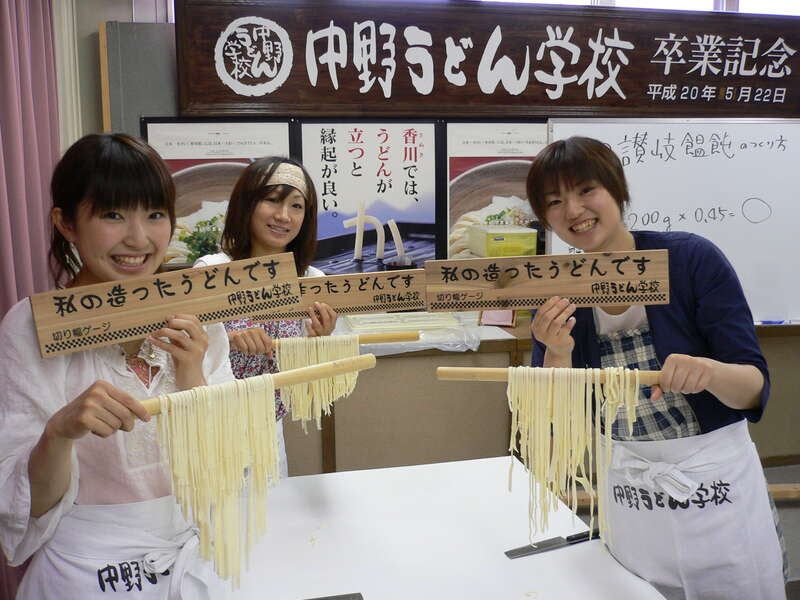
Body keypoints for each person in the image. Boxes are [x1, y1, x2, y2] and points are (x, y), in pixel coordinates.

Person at [525, 136, 786, 600]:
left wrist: (708, 371)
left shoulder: (689, 260)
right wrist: (557, 351)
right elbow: (552, 421)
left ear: (616, 190)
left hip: (718, 493)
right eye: (554, 201)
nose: (574, 210)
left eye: (586, 190)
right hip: (631, 497)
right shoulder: (556, 290)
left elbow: (753, 387)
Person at [0, 133, 234, 599]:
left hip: (194, 562)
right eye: (112, 214)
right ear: (66, 223)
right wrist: (59, 432)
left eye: (155, 214)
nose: (139, 238)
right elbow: (25, 506)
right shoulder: (33, 327)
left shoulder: (197, 314)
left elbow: (226, 472)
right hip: (84, 574)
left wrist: (191, 379)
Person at [194, 156, 337, 477]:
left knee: (270, 520)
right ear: (246, 205)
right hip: (213, 429)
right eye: (271, 200)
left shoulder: (311, 280)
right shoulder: (211, 270)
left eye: (296, 206)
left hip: (269, 432)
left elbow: (309, 392)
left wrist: (317, 343)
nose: (283, 216)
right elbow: (184, 358)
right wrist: (226, 341)